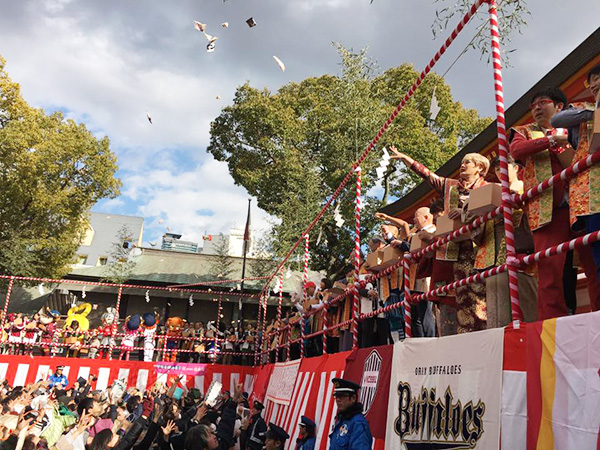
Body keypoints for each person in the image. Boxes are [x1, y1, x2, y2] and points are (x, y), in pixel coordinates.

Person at [510, 87, 600, 320]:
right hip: (547, 210)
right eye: (533, 106)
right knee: (549, 270)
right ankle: (552, 324)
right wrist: (551, 140)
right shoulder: (524, 130)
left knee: (593, 263)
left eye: (542, 102)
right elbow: (516, 149)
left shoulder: (579, 122)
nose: (536, 108)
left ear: (559, 107)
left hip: (583, 203)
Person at [391, 147, 489, 333]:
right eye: (462, 162)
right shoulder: (450, 186)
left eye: (468, 162)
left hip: (478, 248)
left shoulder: (488, 188)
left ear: (480, 168)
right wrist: (407, 159)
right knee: (450, 301)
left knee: (477, 299)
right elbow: (428, 175)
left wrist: (466, 212)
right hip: (451, 252)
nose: (463, 165)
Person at [550, 64, 600, 314]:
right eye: (592, 80)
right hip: (590, 195)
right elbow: (556, 119)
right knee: (596, 254)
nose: (594, 84)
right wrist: (592, 113)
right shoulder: (586, 111)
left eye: (598, 78)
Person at [472, 157, 538, 327]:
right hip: (494, 252)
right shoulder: (495, 193)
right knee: (496, 304)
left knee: (526, 300)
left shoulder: (525, 185)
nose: (499, 172)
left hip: (519, 249)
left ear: (516, 168)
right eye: (495, 170)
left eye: (503, 167)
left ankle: (532, 332)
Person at [329, 379, 372, 450]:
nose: (338, 399)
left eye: (341, 396)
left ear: (353, 398)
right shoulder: (341, 419)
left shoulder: (358, 423)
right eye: (336, 396)